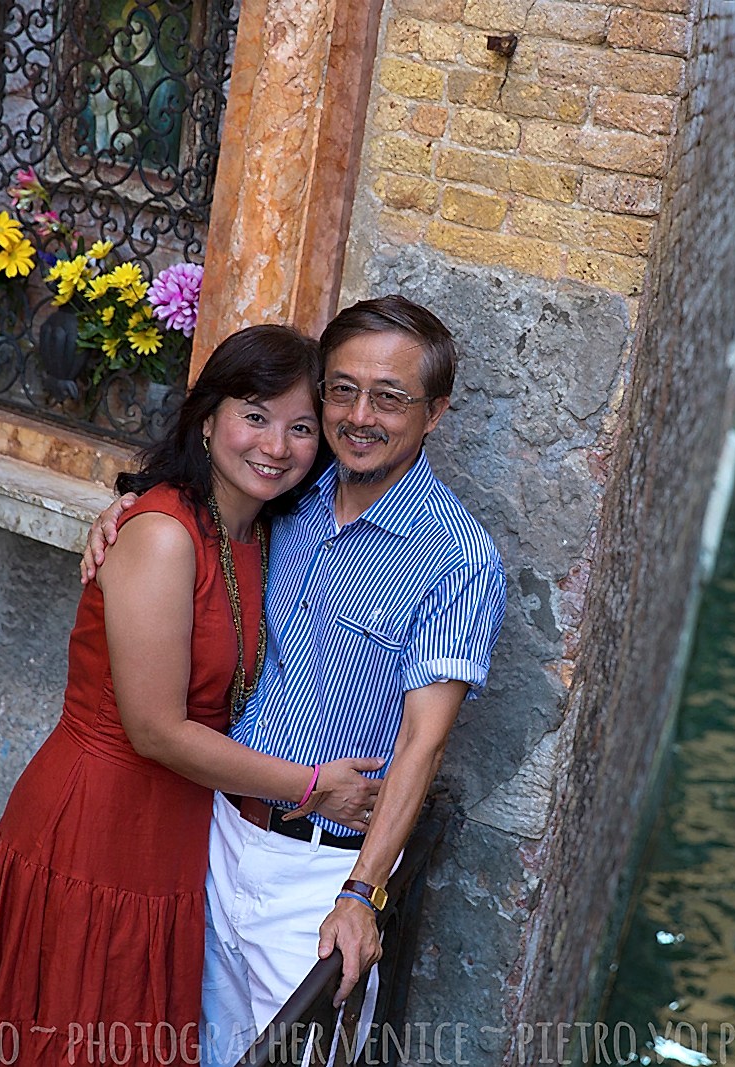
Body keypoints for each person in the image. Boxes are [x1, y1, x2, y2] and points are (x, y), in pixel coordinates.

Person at [0, 325, 384, 1067]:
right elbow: (154, 729)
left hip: (175, 835)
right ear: (207, 418)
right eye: (254, 414)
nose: (276, 444)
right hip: (97, 821)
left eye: (301, 426)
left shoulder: (267, 529)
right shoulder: (165, 533)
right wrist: (312, 787)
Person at [83, 296, 506, 1064]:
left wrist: (361, 896)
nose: (359, 415)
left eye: (390, 396)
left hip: (320, 873)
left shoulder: (459, 558)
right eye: (341, 390)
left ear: (435, 413)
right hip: (212, 839)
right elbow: (194, 511)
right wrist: (124, 509)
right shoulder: (291, 495)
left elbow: (423, 740)